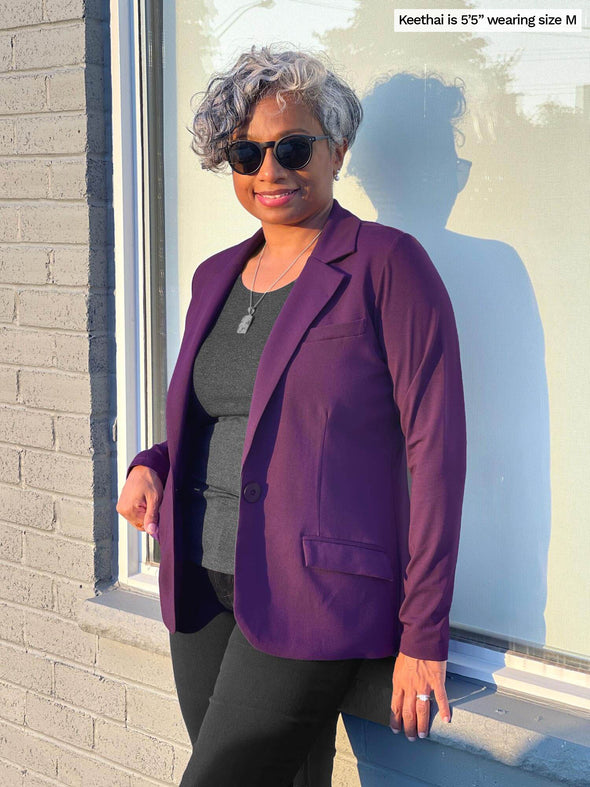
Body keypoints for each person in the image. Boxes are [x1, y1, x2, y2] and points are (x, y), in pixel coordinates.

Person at [116, 45, 467, 787]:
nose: (268, 170)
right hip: (202, 581)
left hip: (316, 593)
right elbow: (225, 418)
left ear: (337, 148)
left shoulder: (388, 265)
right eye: (246, 151)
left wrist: (424, 628)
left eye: (292, 146)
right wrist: (154, 463)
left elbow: (435, 449)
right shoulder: (216, 276)